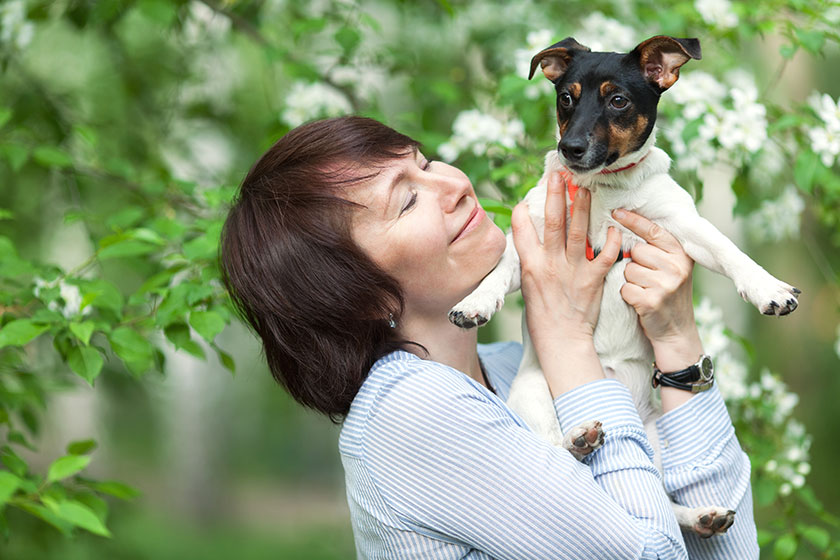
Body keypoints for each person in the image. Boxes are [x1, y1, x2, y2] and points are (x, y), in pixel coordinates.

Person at [220, 115, 759, 559]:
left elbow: (730, 554)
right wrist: (567, 334)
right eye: (407, 200)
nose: (454, 184)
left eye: (426, 163)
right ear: (359, 296)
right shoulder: (410, 413)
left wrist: (675, 339)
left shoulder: (506, 368)